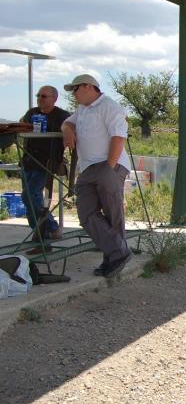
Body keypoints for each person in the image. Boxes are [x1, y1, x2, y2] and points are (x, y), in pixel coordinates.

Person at [61, 74, 132, 278]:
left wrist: (109, 168)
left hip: (110, 166)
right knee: (86, 213)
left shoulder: (109, 106)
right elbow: (67, 122)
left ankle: (113, 259)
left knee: (112, 213)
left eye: (75, 89)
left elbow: (119, 137)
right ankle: (119, 252)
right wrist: (67, 129)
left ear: (88, 86)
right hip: (88, 169)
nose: (73, 94)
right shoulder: (82, 109)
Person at [19, 85, 71, 240]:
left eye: (43, 96)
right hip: (28, 161)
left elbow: (70, 129)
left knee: (29, 196)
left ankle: (51, 228)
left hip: (47, 162)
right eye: (38, 95)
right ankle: (40, 233)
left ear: (54, 98)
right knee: (31, 200)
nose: (39, 99)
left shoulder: (62, 115)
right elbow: (21, 125)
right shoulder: (32, 113)